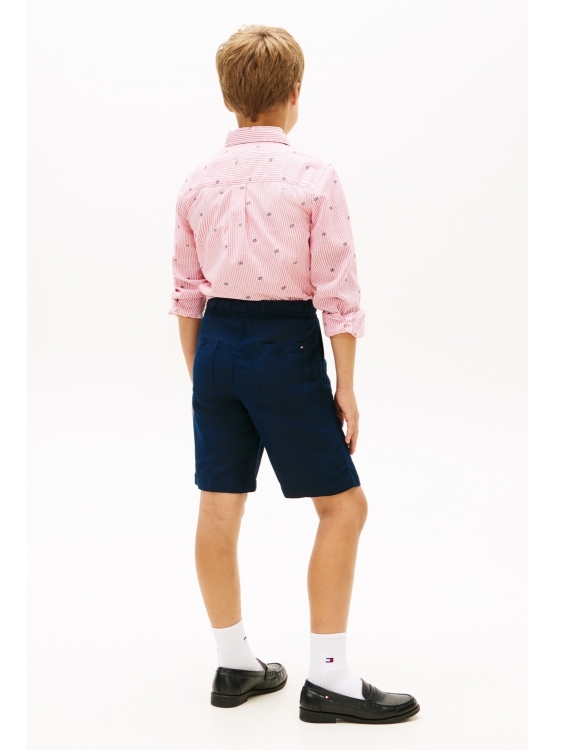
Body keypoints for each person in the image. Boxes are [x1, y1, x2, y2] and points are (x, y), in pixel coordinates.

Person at [168, 24, 419, 725]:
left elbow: (185, 293)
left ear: (228, 98)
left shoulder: (196, 182)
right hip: (283, 347)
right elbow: (337, 291)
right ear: (294, 95)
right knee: (344, 507)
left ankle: (234, 664)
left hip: (215, 345)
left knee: (218, 506)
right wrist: (346, 386)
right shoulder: (313, 177)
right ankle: (329, 679)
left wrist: (203, 378)